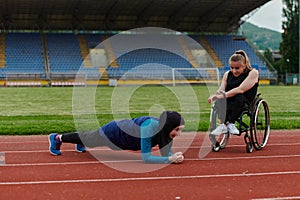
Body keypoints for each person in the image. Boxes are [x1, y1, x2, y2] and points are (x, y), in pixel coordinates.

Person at [49, 111, 185, 164]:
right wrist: (169, 159)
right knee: (89, 138)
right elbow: (146, 158)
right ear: (168, 126)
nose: (178, 134)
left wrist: (174, 156)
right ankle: (56, 138)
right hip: (114, 133)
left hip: (125, 140)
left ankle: (81, 142)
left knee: (88, 138)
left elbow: (167, 152)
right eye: (177, 129)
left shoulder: (164, 130)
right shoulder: (148, 127)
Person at [208, 50, 259, 136]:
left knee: (238, 96)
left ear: (245, 66)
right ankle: (222, 125)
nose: (234, 71)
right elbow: (222, 89)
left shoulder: (253, 73)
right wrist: (216, 95)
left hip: (245, 101)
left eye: (237, 68)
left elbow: (240, 89)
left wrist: (223, 95)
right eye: (231, 68)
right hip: (230, 99)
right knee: (220, 99)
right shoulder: (227, 74)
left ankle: (231, 123)